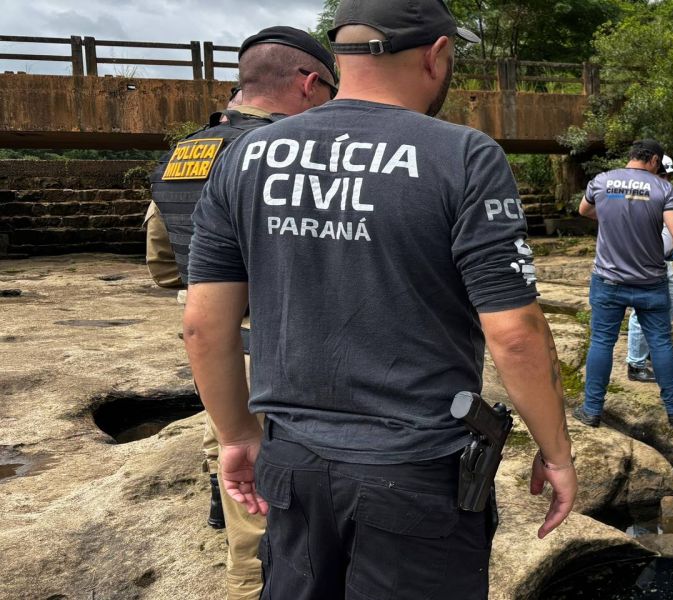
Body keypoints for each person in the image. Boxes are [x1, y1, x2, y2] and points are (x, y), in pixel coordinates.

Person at [183, 1, 577, 598]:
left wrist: (236, 435)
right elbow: (516, 333)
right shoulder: (465, 157)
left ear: (338, 55)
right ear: (437, 54)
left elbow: (203, 327)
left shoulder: (244, 157)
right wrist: (555, 451)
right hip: (418, 474)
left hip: (293, 465)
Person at [145, 26, 337, 600]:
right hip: (285, 337)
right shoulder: (302, 150)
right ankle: (254, 580)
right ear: (309, 84)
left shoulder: (189, 150)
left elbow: (160, 259)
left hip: (210, 330)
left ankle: (223, 510)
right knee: (274, 491)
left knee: (227, 438)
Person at [575, 139, 673, 428]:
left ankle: (591, 410)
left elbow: (584, 210)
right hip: (650, 281)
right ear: (655, 161)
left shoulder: (602, 181)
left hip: (608, 280)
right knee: (660, 343)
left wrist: (608, 218)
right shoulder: (664, 189)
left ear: (631, 157)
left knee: (602, 342)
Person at [625, 155, 673, 383]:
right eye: (664, 174)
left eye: (669, 175)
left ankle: (647, 346)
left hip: (662, 261)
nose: (668, 179)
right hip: (644, 262)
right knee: (642, 313)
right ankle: (635, 364)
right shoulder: (638, 196)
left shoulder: (666, 195)